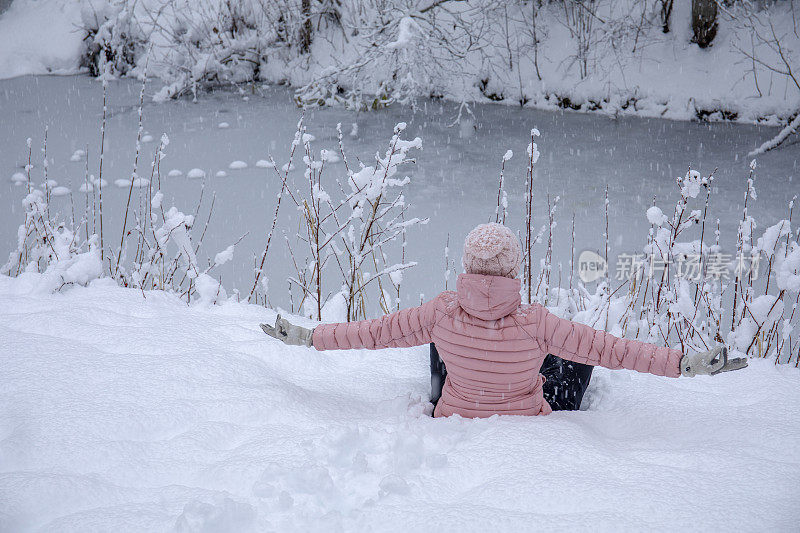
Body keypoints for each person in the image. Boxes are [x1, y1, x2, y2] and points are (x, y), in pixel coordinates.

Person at [261, 223, 747, 418]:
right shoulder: (537, 322)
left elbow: (370, 333)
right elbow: (616, 350)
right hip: (526, 416)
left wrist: (307, 336)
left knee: (438, 341)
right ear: (515, 269)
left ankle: (462, 387)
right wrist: (686, 364)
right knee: (580, 352)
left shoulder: (441, 311)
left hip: (456, 409)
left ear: (469, 269)